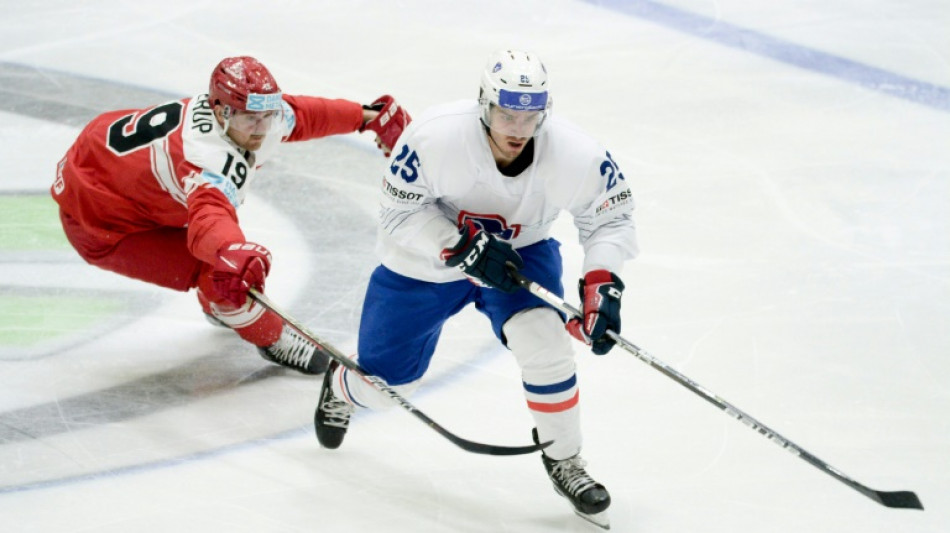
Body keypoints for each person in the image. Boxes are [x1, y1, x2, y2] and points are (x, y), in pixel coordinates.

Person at [313, 50, 637, 528]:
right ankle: (341, 388)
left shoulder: (574, 152)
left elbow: (610, 216)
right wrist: (458, 246)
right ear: (484, 104)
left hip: (520, 253)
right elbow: (398, 213)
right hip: (422, 264)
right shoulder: (434, 135)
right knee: (385, 390)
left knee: (545, 344)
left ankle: (565, 458)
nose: (518, 127)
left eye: (530, 115)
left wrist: (604, 279)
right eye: (507, 112)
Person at [51, 56, 410, 375]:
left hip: (119, 177)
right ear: (222, 112)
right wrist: (229, 250)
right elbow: (208, 218)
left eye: (268, 115)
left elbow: (298, 114)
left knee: (224, 266)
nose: (264, 128)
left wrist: (368, 117)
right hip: (102, 225)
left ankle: (219, 305)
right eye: (253, 119)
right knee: (223, 273)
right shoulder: (206, 156)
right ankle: (271, 338)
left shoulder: (249, 112)